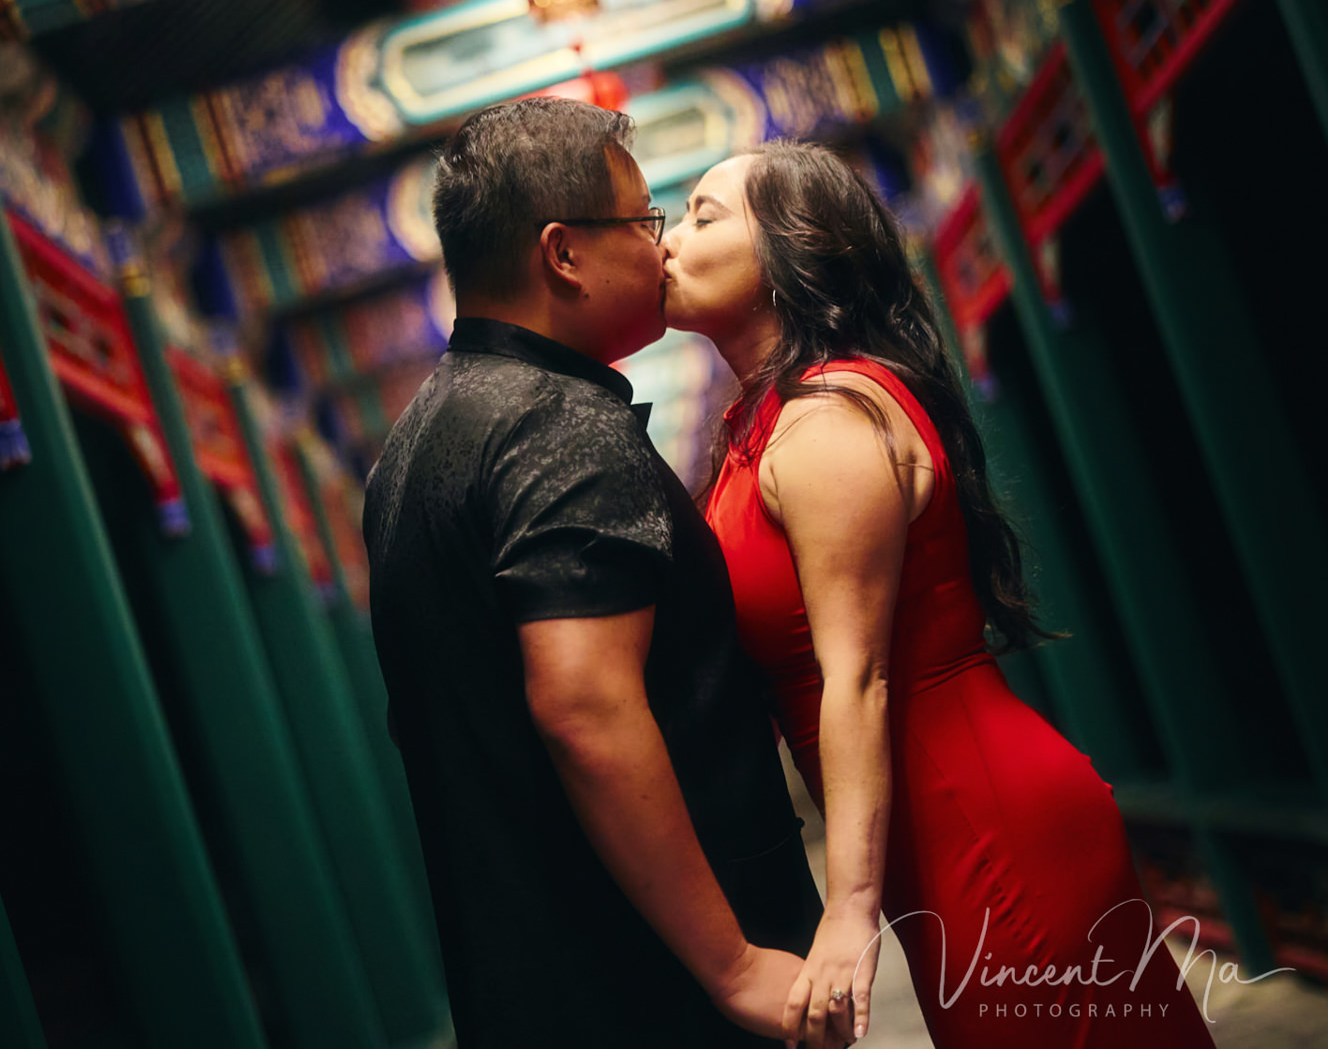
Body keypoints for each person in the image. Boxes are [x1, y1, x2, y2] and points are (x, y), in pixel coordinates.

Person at [659, 140, 1216, 1048]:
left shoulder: (830, 418)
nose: (669, 242)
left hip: (981, 820)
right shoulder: (764, 423)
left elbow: (861, 675)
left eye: (703, 216)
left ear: (791, 252)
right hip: (934, 828)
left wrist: (850, 910)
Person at [363, 99, 830, 1049]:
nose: (661, 251)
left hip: (537, 980)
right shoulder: (557, 423)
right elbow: (584, 710)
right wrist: (733, 965)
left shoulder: (410, 445)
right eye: (644, 221)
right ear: (563, 253)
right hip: (656, 988)